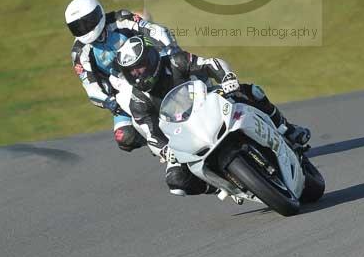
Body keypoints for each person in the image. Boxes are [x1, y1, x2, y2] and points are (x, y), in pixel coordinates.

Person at [115, 33, 311, 197]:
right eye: (131, 72)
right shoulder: (138, 101)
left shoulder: (176, 61)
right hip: (184, 134)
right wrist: (166, 151)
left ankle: (287, 129)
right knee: (176, 182)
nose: (138, 74)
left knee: (250, 91)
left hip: (210, 104)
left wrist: (227, 78)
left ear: (152, 58)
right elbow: (152, 135)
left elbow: (210, 64)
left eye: (140, 67)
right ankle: (221, 185)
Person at [65, 0, 179, 153]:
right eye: (78, 27)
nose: (85, 29)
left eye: (87, 22)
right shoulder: (79, 52)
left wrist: (170, 50)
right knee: (124, 137)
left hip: (150, 71)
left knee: (183, 68)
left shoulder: (121, 19)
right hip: (121, 90)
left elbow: (156, 30)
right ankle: (159, 144)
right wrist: (109, 101)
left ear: (98, 14)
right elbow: (90, 88)